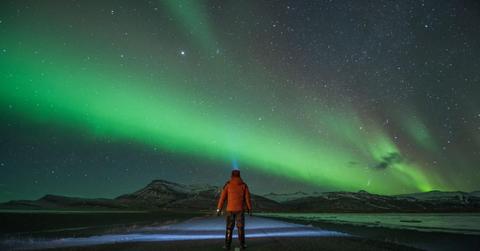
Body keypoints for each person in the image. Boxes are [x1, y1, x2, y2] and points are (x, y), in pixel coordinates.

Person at [216, 169, 252, 250]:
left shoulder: (228, 184)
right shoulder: (244, 185)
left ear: (231, 175)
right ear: (239, 175)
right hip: (240, 209)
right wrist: (249, 209)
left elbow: (222, 198)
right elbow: (247, 198)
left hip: (230, 209)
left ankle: (227, 245)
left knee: (229, 228)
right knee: (240, 227)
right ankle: (242, 245)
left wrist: (219, 209)